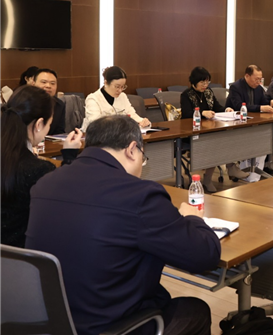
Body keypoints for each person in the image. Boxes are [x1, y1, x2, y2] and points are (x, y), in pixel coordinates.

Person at [26, 115, 220, 335]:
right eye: (143, 158)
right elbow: (205, 256)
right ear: (132, 149)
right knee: (196, 310)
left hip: (51, 322)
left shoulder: (45, 184)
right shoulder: (139, 195)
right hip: (107, 327)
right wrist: (192, 218)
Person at [1, 86, 82, 248]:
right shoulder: (37, 170)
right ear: (39, 124)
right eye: (49, 124)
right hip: (24, 256)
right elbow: (67, 201)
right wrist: (69, 155)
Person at [181, 67, 233, 190]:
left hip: (209, 130)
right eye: (202, 82)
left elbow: (217, 107)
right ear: (194, 82)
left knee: (226, 138)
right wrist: (202, 113)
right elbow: (186, 115)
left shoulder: (208, 92)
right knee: (214, 142)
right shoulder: (186, 95)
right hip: (192, 132)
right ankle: (209, 179)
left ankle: (230, 167)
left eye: (207, 82)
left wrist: (226, 109)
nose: (205, 85)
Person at [82, 66, 151, 131]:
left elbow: (133, 115)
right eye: (117, 87)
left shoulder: (122, 96)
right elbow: (95, 125)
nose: (120, 90)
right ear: (106, 83)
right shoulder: (93, 99)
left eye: (123, 87)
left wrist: (143, 122)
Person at [33, 68, 66, 135]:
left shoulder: (59, 105)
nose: (48, 86)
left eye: (52, 83)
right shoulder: (24, 102)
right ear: (33, 84)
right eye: (44, 82)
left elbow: (59, 131)